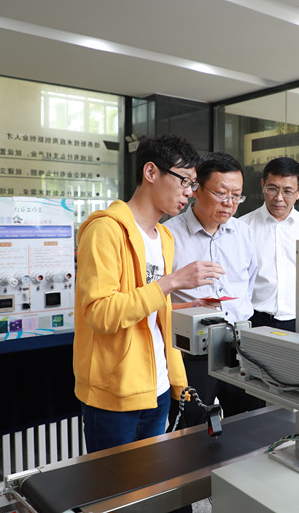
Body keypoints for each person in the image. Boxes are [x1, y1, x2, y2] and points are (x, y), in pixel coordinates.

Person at [73, 134, 225, 453]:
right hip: (115, 393)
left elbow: (154, 313)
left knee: (150, 482)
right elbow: (100, 314)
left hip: (158, 388)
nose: (189, 192)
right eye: (184, 180)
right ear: (151, 172)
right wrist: (171, 282)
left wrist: (178, 382)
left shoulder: (164, 237)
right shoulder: (105, 230)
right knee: (113, 484)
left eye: (193, 184)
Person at [164, 151, 263, 426]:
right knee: (191, 426)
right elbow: (159, 296)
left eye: (236, 196)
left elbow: (249, 283)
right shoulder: (169, 235)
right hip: (191, 352)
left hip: (239, 345)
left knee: (248, 422)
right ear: (196, 189)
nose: (229, 203)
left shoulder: (243, 233)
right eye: (221, 194)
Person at [240, 157, 299, 330]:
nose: (278, 198)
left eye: (287, 191)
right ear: (262, 185)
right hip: (255, 319)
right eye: (272, 189)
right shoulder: (242, 227)